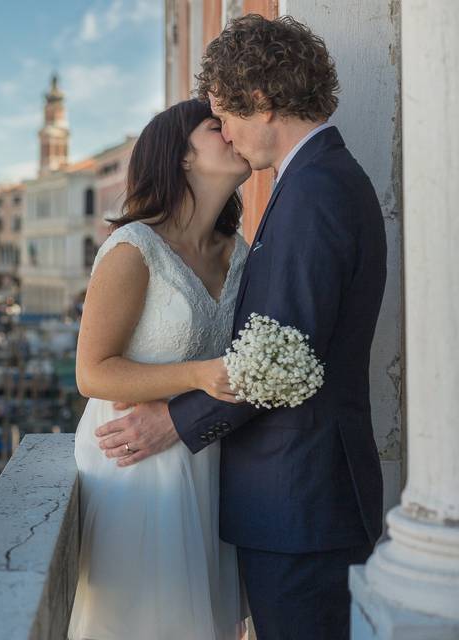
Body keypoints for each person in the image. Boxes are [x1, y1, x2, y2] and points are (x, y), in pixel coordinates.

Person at [91, 15, 387, 639]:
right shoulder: (306, 183)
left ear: (260, 100)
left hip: (300, 498)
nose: (224, 129)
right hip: (279, 497)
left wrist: (174, 419)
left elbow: (285, 352)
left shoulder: (314, 190)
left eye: (226, 113)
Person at [68, 97, 251, 640]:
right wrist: (198, 376)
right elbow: (92, 372)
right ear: (183, 157)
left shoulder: (237, 250)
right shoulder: (133, 248)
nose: (233, 131)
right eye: (217, 126)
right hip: (135, 465)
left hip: (208, 459)